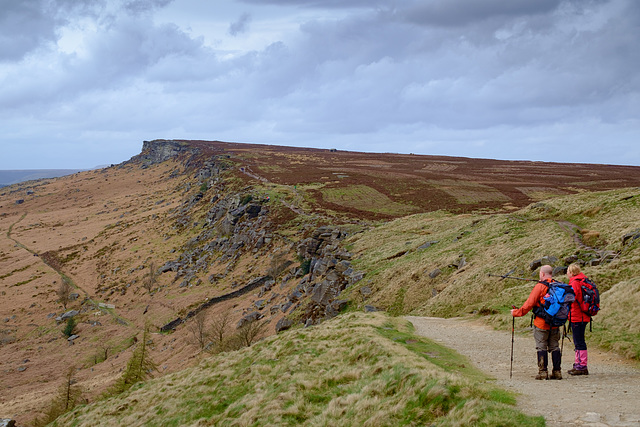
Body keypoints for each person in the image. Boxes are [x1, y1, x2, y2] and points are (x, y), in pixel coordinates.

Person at [511, 265, 563, 380]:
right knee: (555, 347)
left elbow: (529, 304)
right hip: (555, 323)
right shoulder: (558, 285)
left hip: (541, 323)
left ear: (542, 274)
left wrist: (516, 312)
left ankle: (543, 372)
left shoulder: (540, 287)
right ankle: (557, 372)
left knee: (541, 346)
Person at [567, 263, 590, 375]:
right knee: (578, 341)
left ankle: (582, 366)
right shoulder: (583, 280)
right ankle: (578, 364)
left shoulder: (575, 282)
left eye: (567, 271)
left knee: (579, 341)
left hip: (577, 316)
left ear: (571, 272)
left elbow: (572, 298)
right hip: (583, 315)